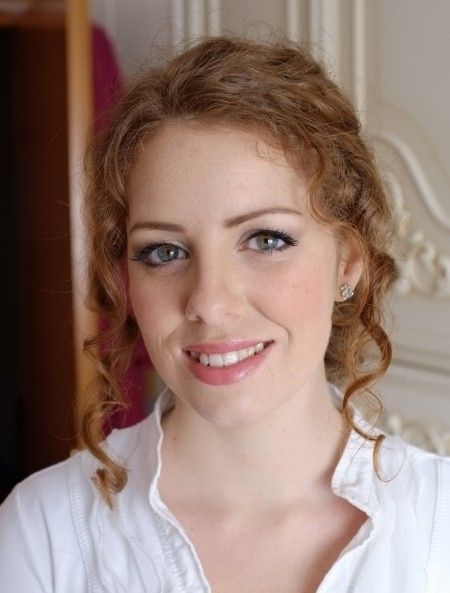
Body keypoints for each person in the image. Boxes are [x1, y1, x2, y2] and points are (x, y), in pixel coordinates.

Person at [0, 34, 449, 593]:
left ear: (348, 263)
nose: (209, 304)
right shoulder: (42, 535)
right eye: (164, 252)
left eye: (266, 240)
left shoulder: (439, 530)